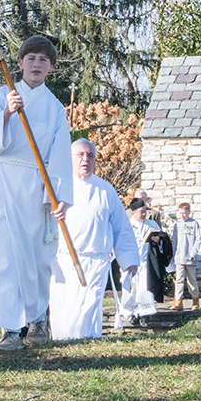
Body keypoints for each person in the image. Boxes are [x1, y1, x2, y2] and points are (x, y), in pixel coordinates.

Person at [0, 35, 74, 351]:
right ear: (19, 63)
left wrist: (57, 198)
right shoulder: (1, 95)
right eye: (31, 58)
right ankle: (9, 328)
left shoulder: (55, 108)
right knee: (2, 253)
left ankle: (37, 320)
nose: (36, 64)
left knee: (33, 255)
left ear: (51, 68)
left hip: (34, 183)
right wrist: (5, 113)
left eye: (44, 60)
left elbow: (59, 155)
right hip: (1, 180)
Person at [48, 139, 139, 340]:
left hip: (96, 261)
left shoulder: (105, 190)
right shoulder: (59, 188)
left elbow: (120, 227)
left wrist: (129, 259)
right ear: (70, 158)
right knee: (64, 308)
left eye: (90, 155)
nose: (85, 159)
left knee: (88, 309)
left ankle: (87, 341)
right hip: (64, 261)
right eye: (80, 155)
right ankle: (62, 343)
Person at [118, 198, 164, 327]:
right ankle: (132, 314)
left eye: (145, 211)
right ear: (133, 213)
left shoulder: (152, 224)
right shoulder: (127, 226)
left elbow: (163, 240)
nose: (144, 214)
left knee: (145, 289)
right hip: (130, 262)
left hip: (146, 263)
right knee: (131, 290)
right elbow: (121, 243)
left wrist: (157, 240)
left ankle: (145, 315)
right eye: (141, 212)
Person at [168, 201, 201, 311]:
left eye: (185, 213)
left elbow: (198, 239)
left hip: (190, 257)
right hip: (179, 256)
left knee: (191, 280)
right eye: (181, 213)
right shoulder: (177, 224)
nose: (183, 215)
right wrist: (173, 255)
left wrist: (193, 253)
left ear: (189, 212)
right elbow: (174, 241)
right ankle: (178, 302)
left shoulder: (194, 224)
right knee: (179, 279)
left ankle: (195, 300)